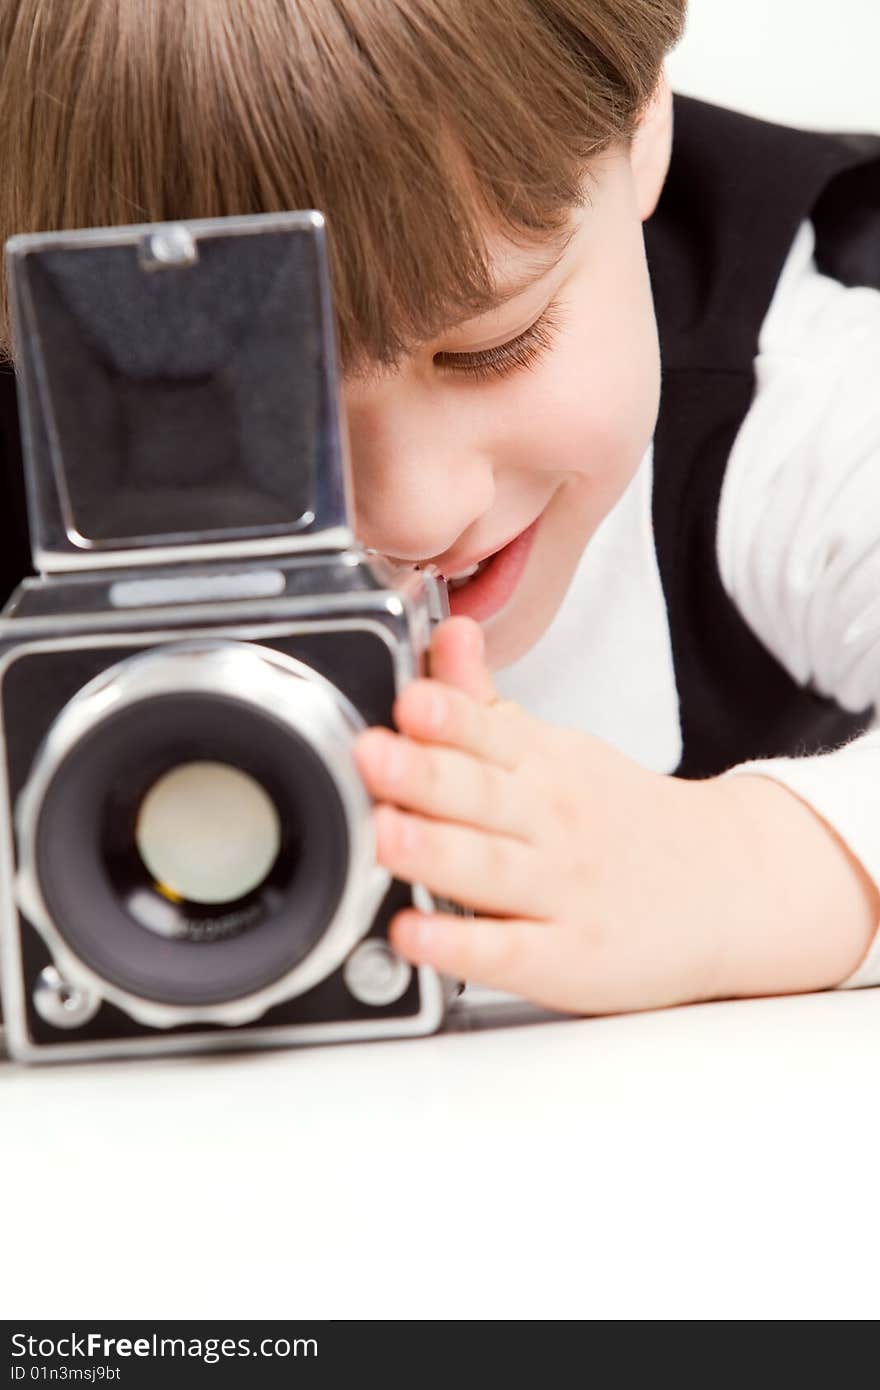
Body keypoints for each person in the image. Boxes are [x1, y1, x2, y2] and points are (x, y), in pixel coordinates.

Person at [1, 0, 879, 1016]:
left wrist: (740, 871)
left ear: (641, 128)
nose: (412, 514)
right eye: (252, 403)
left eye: (491, 347)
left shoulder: (803, 386)